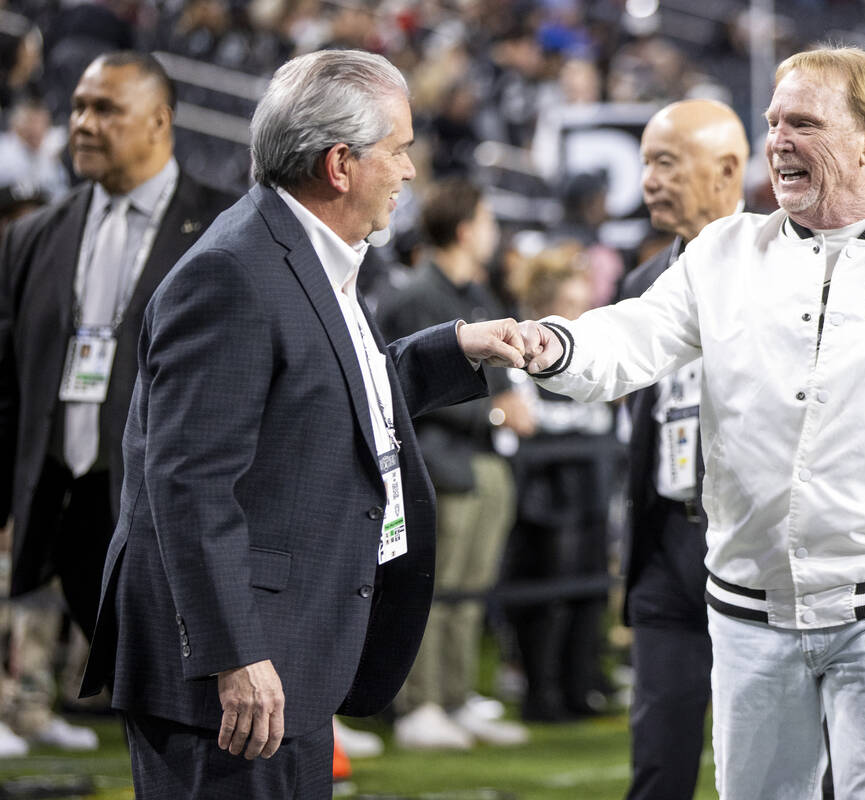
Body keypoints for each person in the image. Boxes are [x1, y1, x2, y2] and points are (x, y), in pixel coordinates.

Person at [517, 45, 865, 800]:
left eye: (805, 124)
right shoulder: (723, 252)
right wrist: (555, 344)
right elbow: (631, 337)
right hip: (749, 604)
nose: (779, 141)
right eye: (773, 123)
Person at [78, 49, 530, 799]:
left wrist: (452, 350)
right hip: (230, 677)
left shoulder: (303, 250)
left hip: (287, 652)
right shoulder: (233, 272)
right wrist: (234, 654)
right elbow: (189, 484)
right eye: (398, 149)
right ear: (340, 165)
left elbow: (327, 392)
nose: (410, 170)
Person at [0, 51, 237, 641]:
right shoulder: (32, 236)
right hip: (72, 508)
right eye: (78, 107)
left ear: (160, 120)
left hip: (180, 518)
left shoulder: (230, 227)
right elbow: (9, 387)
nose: (83, 124)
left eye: (106, 109)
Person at [617, 98, 747, 800]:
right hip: (667, 544)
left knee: (772, 758)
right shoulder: (641, 283)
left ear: (727, 169)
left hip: (754, 545)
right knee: (659, 755)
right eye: (646, 163)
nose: (649, 181)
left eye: (666, 163)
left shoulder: (788, 274)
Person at [377, 177, 532, 750]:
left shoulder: (476, 291)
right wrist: (494, 413)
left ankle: (456, 696)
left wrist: (502, 409)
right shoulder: (416, 295)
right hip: (439, 464)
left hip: (484, 462)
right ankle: (417, 704)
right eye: (487, 221)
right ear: (465, 229)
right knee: (433, 592)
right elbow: (403, 389)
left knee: (470, 593)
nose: (494, 233)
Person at [502, 243, 615, 724]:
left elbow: (603, 412)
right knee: (546, 595)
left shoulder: (590, 347)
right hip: (544, 494)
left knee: (590, 589)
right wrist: (584, 417)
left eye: (582, 304)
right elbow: (528, 418)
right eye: (569, 304)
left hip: (588, 486)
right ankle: (541, 692)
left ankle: (581, 685)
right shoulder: (518, 346)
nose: (578, 314)